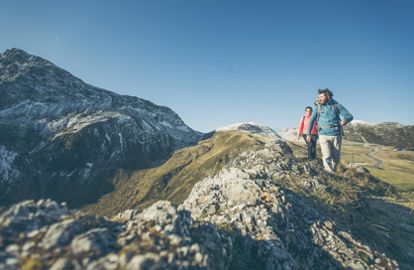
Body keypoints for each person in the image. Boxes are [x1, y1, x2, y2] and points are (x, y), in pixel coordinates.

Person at [306, 88, 353, 173]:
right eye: (319, 97)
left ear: (328, 96)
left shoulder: (336, 105)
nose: (319, 98)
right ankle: (330, 173)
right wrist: (308, 134)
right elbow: (311, 121)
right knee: (326, 155)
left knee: (336, 157)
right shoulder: (318, 107)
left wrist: (343, 122)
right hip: (323, 134)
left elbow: (349, 116)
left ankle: (335, 172)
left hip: (336, 135)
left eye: (321, 96)